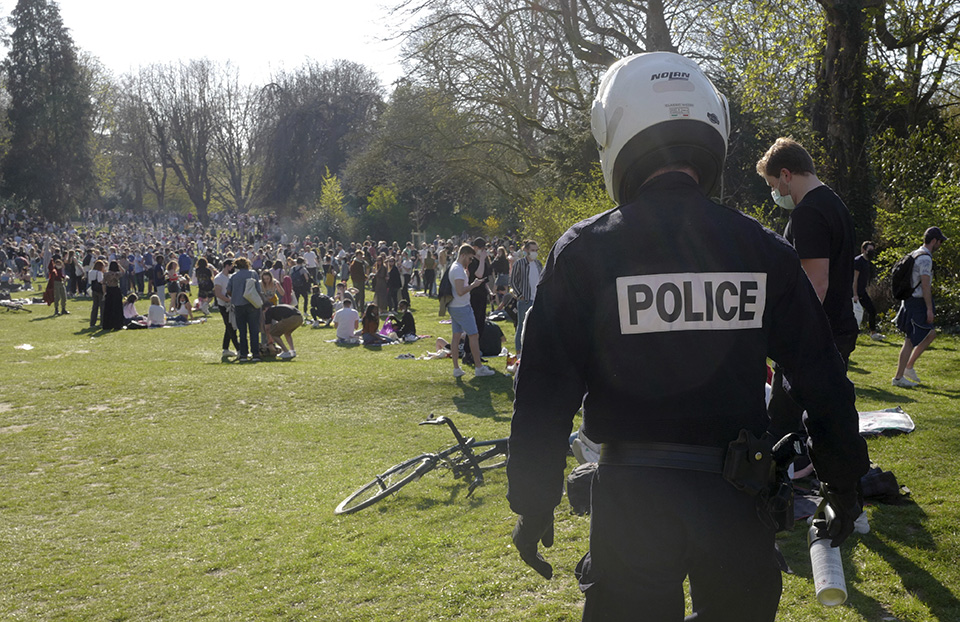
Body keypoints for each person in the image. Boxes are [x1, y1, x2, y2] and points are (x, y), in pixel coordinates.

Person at [506, 52, 869, 622]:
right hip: (738, 497)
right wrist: (843, 483)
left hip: (632, 502)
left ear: (617, 136)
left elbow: (543, 392)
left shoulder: (586, 252)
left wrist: (533, 500)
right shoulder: (763, 250)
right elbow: (822, 377)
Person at [756, 137, 859, 442]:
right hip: (839, 327)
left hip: (814, 336)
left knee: (782, 421)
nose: (776, 193)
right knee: (827, 419)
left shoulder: (808, 213)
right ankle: (831, 479)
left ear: (786, 174)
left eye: (774, 184)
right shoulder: (835, 203)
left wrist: (789, 334)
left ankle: (785, 480)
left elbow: (817, 283)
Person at [892, 226, 948, 387]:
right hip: (917, 302)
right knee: (911, 339)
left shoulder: (916, 253)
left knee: (928, 335)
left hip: (910, 301)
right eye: (940, 242)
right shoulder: (925, 258)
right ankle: (899, 377)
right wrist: (929, 309)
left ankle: (907, 368)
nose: (940, 245)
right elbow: (925, 286)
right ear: (934, 241)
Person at [448, 244, 495, 378]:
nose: (470, 261)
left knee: (456, 336)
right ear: (463, 255)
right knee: (474, 335)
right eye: (469, 258)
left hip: (455, 306)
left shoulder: (457, 268)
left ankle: (456, 368)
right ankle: (479, 367)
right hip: (461, 307)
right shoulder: (457, 269)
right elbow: (460, 291)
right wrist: (473, 285)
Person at [227, 257, 263, 362]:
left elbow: (229, 291)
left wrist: (236, 295)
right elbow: (258, 289)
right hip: (252, 304)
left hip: (239, 305)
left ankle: (243, 354)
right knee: (254, 330)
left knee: (242, 331)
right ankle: (255, 353)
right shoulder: (253, 274)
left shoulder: (233, 276)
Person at [510, 240, 542, 355]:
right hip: (525, 300)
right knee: (521, 326)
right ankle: (519, 352)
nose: (534, 253)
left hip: (536, 299)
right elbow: (513, 281)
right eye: (532, 250)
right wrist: (520, 295)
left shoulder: (538, 264)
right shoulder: (519, 264)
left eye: (536, 250)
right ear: (526, 250)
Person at [853, 240, 883, 341]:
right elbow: (854, 279)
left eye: (872, 250)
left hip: (862, 291)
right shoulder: (858, 261)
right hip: (857, 292)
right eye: (869, 250)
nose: (871, 252)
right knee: (864, 311)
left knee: (871, 311)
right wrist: (855, 294)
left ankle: (873, 333)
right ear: (863, 249)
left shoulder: (867, 262)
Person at [213, 258, 239, 360]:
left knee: (229, 326)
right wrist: (229, 301)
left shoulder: (230, 277)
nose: (233, 268)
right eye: (232, 266)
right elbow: (218, 293)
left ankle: (225, 349)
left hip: (231, 305)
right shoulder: (219, 278)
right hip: (224, 306)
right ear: (227, 266)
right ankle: (239, 349)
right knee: (231, 327)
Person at [101, 261, 124, 331]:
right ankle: (117, 324)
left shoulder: (106, 274)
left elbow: (103, 283)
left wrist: (104, 292)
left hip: (109, 290)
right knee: (117, 307)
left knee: (108, 307)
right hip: (116, 290)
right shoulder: (117, 274)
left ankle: (107, 324)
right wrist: (119, 265)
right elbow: (123, 272)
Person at [88, 259, 105, 328]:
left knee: (95, 306)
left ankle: (92, 323)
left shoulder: (90, 272)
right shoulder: (99, 272)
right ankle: (102, 323)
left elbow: (89, 281)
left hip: (94, 290)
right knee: (102, 307)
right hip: (100, 290)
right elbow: (101, 281)